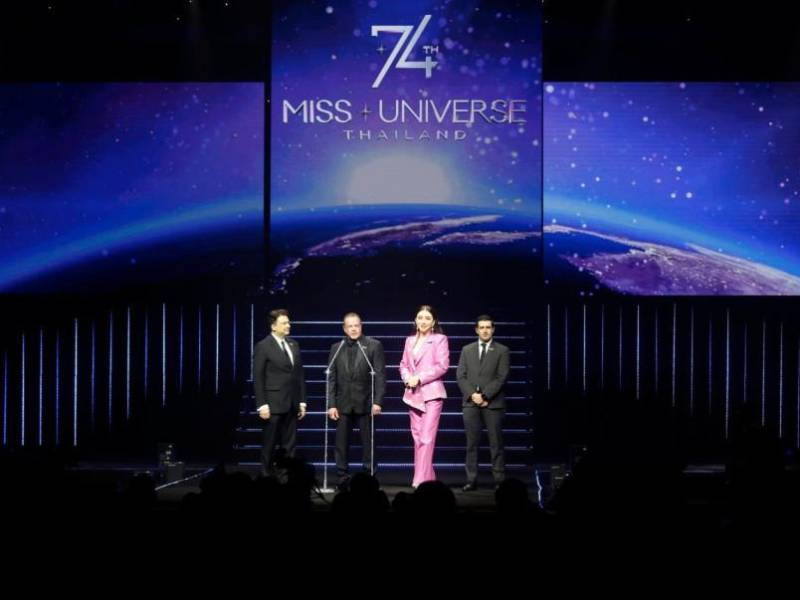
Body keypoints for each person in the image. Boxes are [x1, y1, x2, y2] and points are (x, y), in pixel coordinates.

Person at [327, 312, 386, 488]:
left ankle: (369, 478)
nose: (353, 329)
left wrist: (378, 401)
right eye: (350, 326)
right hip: (342, 404)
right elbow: (331, 378)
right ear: (344, 328)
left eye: (356, 325)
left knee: (369, 444)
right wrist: (331, 405)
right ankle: (342, 477)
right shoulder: (336, 347)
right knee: (341, 444)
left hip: (366, 403)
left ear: (361, 326)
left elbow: (380, 376)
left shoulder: (374, 345)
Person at [456, 314, 510, 491]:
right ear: (476, 330)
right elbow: (460, 376)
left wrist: (485, 396)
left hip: (493, 404)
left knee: (496, 444)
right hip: (471, 404)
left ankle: (499, 480)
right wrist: (474, 395)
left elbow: (502, 377)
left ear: (493, 329)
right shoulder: (467, 349)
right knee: (471, 444)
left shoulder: (502, 350)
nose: (485, 330)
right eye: (482, 327)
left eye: (488, 327)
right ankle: (471, 480)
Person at [253, 308, 307, 477]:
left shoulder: (293, 344)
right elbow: (258, 377)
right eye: (284, 323)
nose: (288, 325)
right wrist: (262, 404)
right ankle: (266, 477)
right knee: (269, 444)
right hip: (273, 403)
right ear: (273, 326)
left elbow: (299, 374)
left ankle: (286, 478)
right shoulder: (263, 346)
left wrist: (302, 401)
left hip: (292, 403)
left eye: (288, 322)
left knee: (289, 445)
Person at [399, 304, 449, 488]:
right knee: (418, 439)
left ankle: (420, 480)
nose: (423, 321)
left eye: (428, 318)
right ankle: (427, 477)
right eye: (420, 317)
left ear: (434, 322)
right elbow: (403, 364)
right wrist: (407, 378)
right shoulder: (409, 340)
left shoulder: (439, 339)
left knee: (427, 438)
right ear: (415, 320)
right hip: (413, 395)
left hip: (431, 394)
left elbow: (442, 366)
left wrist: (418, 378)